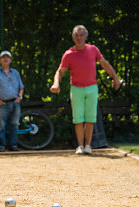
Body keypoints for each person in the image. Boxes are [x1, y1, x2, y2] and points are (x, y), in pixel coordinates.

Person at [50, 25, 120, 155]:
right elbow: (60, 71)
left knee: (90, 118)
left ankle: (88, 146)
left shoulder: (93, 50)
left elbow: (104, 64)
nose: (79, 37)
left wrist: (115, 78)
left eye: (81, 35)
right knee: (78, 119)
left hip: (92, 88)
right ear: (73, 38)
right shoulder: (69, 54)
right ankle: (80, 146)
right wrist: (56, 83)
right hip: (76, 89)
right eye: (76, 35)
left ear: (86, 37)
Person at [0, 50, 24, 152]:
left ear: (11, 60)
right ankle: (1, 146)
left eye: (8, 57)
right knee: (1, 125)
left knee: (14, 125)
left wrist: (19, 97)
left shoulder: (15, 73)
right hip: (2, 103)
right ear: (0, 60)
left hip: (15, 103)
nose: (6, 59)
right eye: (3, 57)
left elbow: (21, 87)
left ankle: (13, 145)